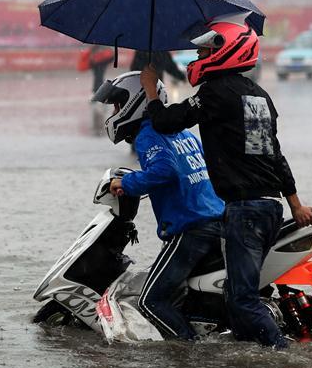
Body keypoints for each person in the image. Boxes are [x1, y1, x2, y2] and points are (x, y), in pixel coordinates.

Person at [139, 13, 312, 349]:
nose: (198, 58)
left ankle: (286, 359)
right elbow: (275, 154)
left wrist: (151, 92)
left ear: (228, 52)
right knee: (239, 305)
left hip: (244, 211)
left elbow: (167, 122)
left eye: (205, 52)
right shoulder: (261, 96)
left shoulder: (215, 93)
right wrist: (295, 204)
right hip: (270, 208)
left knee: (242, 301)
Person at [92, 71, 224, 341]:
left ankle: (188, 351)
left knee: (151, 301)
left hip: (191, 230)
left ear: (134, 103)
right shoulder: (181, 132)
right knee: (177, 295)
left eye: (118, 105)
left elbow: (165, 171)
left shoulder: (148, 134)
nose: (115, 112)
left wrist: (126, 184)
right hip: (215, 221)